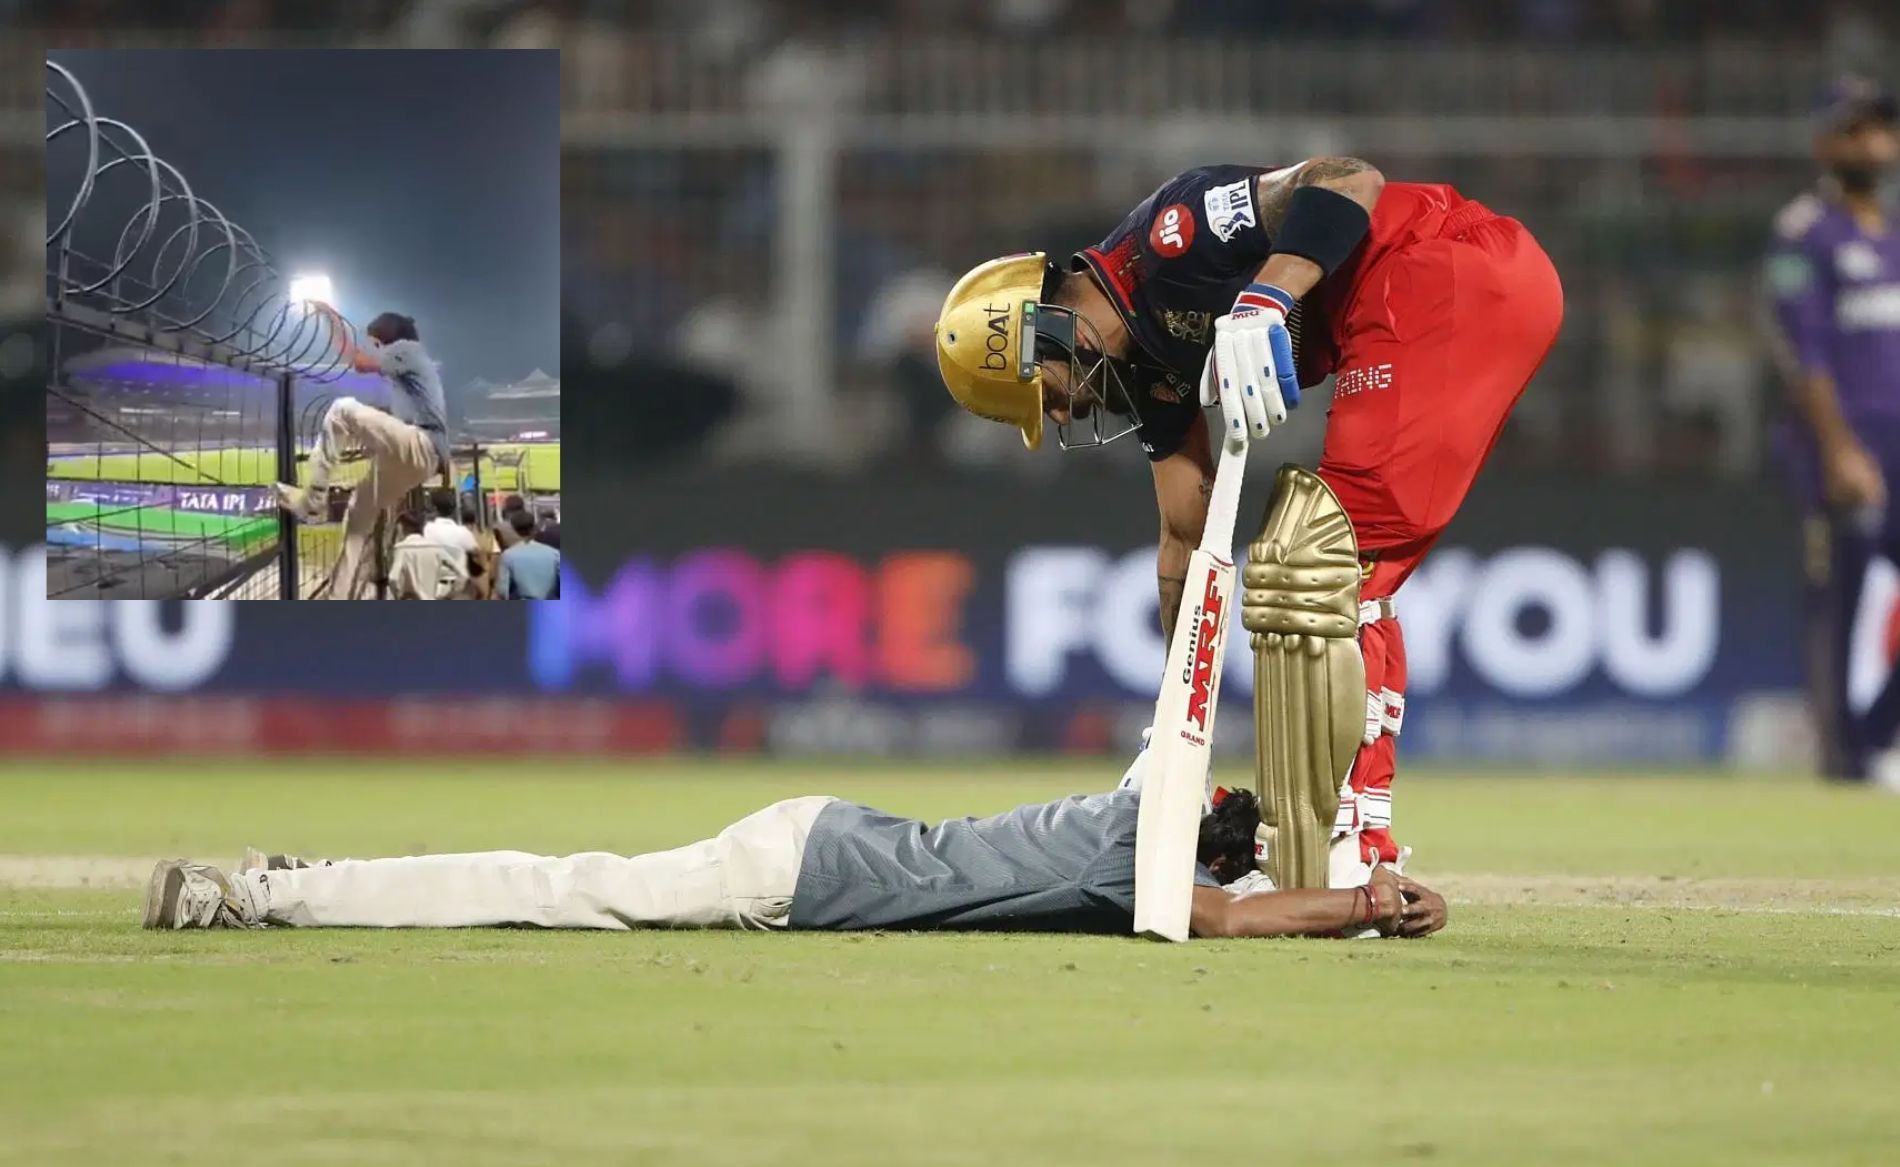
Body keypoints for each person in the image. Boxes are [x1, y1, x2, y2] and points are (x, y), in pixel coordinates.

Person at [936, 156, 1562, 881]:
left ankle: (1350, 848)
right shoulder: (1144, 368)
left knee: (1317, 561)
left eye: (1039, 393)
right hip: (1428, 298)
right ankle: (1348, 836)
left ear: (1040, 330)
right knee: (1328, 565)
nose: (1061, 413)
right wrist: (1176, 728)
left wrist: (1267, 296)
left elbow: (1348, 179)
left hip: (1438, 264)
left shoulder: (1171, 238)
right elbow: (1184, 538)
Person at [139, 778, 1447, 938]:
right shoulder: (1145, 867)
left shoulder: (1136, 801)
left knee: (565, 880)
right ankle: (259, 893)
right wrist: (1366, 907)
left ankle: (290, 882)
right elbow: (1222, 923)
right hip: (799, 873)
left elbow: (1210, 863)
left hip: (819, 839)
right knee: (558, 892)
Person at [1764, 77, 1900, 783]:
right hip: (1843, 447)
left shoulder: (1898, 234)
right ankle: (1845, 758)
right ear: (1825, 143)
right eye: (1855, 130)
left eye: (1880, 128)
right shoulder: (1806, 232)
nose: (1871, 143)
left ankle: (1876, 737)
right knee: (1844, 599)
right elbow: (1803, 351)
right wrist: (1841, 448)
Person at [274, 307, 451, 599]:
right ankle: (338, 596)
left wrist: (331, 319)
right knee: (358, 514)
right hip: (422, 457)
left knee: (341, 409)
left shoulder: (407, 349)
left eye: (376, 343)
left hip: (422, 443)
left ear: (385, 339)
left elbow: (357, 361)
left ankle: (313, 499)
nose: (376, 350)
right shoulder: (413, 364)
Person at [387, 509, 466, 600]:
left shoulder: (402, 548)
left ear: (405, 527)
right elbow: (463, 574)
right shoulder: (435, 547)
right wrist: (449, 594)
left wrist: (398, 596)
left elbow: (393, 578)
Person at [496, 507, 560, 598]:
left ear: (514, 529)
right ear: (534, 527)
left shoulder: (508, 555)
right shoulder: (554, 553)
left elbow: (502, 590)